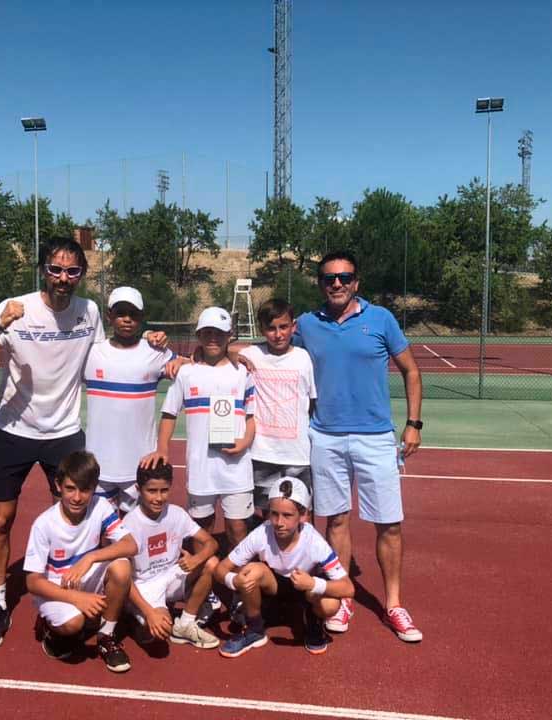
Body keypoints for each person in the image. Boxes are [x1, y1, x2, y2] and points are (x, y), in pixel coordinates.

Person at [0, 238, 165, 651]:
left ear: (81, 275)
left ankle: (88, 593)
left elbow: (115, 351)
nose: (63, 278)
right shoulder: (14, 308)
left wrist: (157, 346)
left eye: (72, 271)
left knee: (84, 514)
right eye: (55, 269)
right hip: (12, 430)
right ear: (43, 270)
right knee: (1, 519)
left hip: (64, 432)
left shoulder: (89, 312)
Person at [293, 249, 424, 642]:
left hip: (376, 438)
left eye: (344, 277)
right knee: (336, 521)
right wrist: (199, 352)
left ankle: (394, 604)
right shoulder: (305, 324)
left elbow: (412, 371)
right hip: (324, 436)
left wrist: (413, 424)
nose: (336, 283)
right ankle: (344, 595)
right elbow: (270, 349)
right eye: (329, 278)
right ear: (320, 283)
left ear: (356, 282)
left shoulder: (381, 319)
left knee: (390, 524)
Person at [140, 307, 256, 552]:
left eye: (220, 333)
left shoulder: (242, 372)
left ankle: (237, 584)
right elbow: (169, 413)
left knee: (237, 529)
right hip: (201, 468)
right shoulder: (186, 373)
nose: (213, 338)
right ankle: (205, 585)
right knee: (202, 530)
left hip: (236, 468)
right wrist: (162, 448)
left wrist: (245, 442)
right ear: (198, 335)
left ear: (230, 335)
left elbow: (251, 416)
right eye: (207, 333)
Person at [24, 451, 138, 673]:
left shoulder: (101, 506)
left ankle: (106, 637)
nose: (77, 497)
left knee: (122, 565)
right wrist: (77, 598)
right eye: (70, 488)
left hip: (83, 575)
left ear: (94, 488)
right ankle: (49, 629)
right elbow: (33, 582)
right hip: (54, 587)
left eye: (85, 489)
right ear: (58, 485)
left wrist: (91, 557)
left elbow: (131, 545)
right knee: (73, 624)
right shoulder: (43, 524)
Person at [214, 477, 354, 657]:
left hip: (305, 588)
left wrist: (313, 584)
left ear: (303, 515)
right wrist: (234, 580)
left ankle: (313, 622)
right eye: (274, 514)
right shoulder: (262, 533)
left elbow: (348, 588)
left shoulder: (314, 541)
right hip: (273, 585)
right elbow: (221, 568)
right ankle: (255, 629)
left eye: (287, 515)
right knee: (251, 572)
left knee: (330, 604)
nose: (279, 522)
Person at [84, 286, 185, 515]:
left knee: (137, 536)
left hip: (140, 466)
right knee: (100, 534)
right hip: (98, 466)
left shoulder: (155, 352)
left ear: (141, 317)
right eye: (120, 313)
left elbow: (192, 366)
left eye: (133, 314)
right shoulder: (91, 352)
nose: (127, 320)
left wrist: (182, 362)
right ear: (109, 316)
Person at [122, 461, 221, 649]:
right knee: (161, 630)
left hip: (172, 575)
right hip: (144, 585)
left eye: (164, 490)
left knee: (212, 563)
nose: (159, 498)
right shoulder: (129, 524)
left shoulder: (177, 513)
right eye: (152, 491)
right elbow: (125, 579)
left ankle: (185, 623)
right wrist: (149, 612)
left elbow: (211, 542)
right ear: (138, 489)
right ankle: (135, 618)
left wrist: (196, 559)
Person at [239, 298, 316, 517]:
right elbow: (219, 351)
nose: (278, 334)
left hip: (298, 455)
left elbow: (310, 402)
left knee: (302, 516)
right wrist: (235, 354)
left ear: (294, 327)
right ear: (262, 330)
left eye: (283, 327)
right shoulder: (252, 354)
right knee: (268, 516)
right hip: (262, 454)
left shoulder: (303, 358)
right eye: (271, 328)